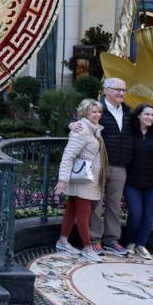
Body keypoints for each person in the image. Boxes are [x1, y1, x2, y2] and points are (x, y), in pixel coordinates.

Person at [71, 77, 134, 256]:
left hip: (120, 166)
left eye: (124, 90)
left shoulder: (129, 112)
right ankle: (95, 240)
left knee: (115, 205)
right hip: (99, 165)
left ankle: (112, 240)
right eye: (117, 89)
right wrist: (70, 125)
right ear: (106, 90)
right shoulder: (97, 109)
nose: (121, 93)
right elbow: (77, 124)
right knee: (96, 205)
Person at [55, 99, 108, 263]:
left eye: (99, 111)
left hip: (85, 178)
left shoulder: (93, 130)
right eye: (93, 112)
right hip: (82, 179)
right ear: (85, 113)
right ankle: (87, 248)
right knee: (83, 216)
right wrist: (62, 180)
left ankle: (63, 241)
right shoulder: (81, 130)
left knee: (72, 211)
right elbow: (68, 155)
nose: (97, 115)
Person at [123, 103, 153, 260]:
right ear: (138, 115)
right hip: (132, 181)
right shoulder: (129, 132)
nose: (150, 118)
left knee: (148, 214)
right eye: (147, 114)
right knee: (136, 213)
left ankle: (141, 244)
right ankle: (131, 242)